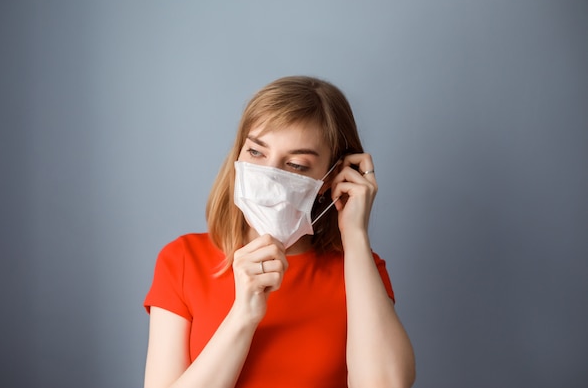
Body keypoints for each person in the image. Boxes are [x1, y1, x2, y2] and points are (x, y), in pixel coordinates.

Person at [143, 76, 415, 388]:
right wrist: (244, 314)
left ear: (331, 179)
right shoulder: (183, 261)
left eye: (297, 165)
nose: (270, 175)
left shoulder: (360, 270)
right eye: (256, 152)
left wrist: (354, 234)